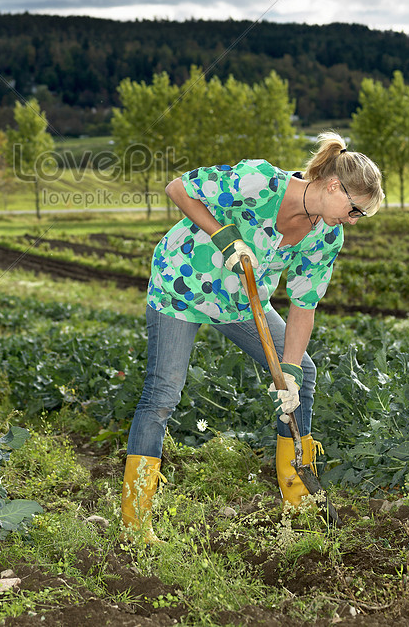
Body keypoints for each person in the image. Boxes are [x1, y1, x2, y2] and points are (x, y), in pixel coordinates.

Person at [121, 133, 383, 541]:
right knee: (162, 394)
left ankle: (297, 498)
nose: (353, 220)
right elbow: (179, 189)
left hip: (241, 302)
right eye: (354, 210)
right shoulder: (260, 182)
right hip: (184, 285)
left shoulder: (326, 234)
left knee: (305, 376)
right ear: (334, 186)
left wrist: (290, 371)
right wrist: (224, 235)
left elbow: (304, 303)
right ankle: (136, 522)